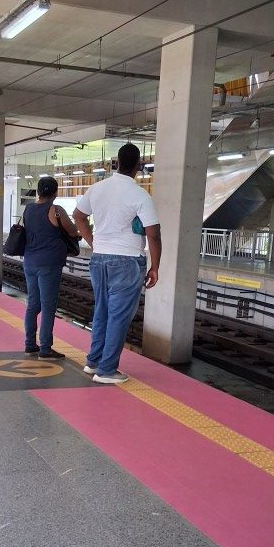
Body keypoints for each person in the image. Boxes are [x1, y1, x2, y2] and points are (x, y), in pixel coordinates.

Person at [74, 143, 161, 384]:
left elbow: (78, 216)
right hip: (127, 261)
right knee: (118, 317)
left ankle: (93, 362)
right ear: (138, 165)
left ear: (117, 163)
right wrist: (155, 267)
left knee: (102, 311)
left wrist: (94, 243)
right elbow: (153, 235)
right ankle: (107, 371)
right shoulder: (140, 195)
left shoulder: (97, 188)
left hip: (99, 259)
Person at [22, 176, 79, 359]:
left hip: (30, 261)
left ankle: (30, 344)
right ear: (55, 192)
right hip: (49, 263)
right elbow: (72, 231)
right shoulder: (56, 210)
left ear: (38, 191)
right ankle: (45, 348)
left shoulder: (28, 209)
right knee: (48, 306)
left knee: (33, 304)